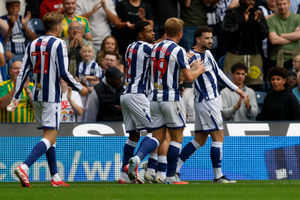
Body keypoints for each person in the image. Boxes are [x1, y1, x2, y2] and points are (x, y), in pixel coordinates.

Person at [7, 12, 88, 187]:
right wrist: (80, 88)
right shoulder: (59, 44)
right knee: (50, 136)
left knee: (51, 137)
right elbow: (64, 72)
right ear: (58, 27)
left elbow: (23, 72)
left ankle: (56, 178)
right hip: (51, 96)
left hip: (36, 96)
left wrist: (16, 96)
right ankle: (25, 166)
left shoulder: (33, 43)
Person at [127, 17, 205, 184]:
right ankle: (171, 176)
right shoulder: (178, 50)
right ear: (180, 33)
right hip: (171, 98)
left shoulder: (154, 48)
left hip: (154, 98)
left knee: (157, 136)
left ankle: (138, 158)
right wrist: (199, 69)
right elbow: (189, 76)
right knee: (176, 137)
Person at [176, 26, 245, 183]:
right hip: (207, 101)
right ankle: (218, 176)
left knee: (200, 139)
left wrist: (236, 89)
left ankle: (175, 169)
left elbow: (218, 73)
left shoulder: (207, 53)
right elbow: (184, 74)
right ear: (198, 39)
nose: (210, 40)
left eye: (211, 37)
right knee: (218, 136)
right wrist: (182, 77)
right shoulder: (192, 56)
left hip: (209, 100)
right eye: (206, 38)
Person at [119, 20, 155, 184]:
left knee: (133, 135)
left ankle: (123, 175)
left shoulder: (129, 47)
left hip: (125, 94)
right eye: (149, 31)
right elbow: (164, 52)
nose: (153, 34)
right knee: (155, 132)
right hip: (137, 95)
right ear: (141, 34)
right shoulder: (147, 48)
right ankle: (138, 161)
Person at [222, 0, 269, 90]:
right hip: (235, 55)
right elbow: (226, 31)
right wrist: (243, 22)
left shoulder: (258, 13)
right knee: (231, 85)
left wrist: (258, 22)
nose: (252, 1)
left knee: (255, 86)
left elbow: (264, 34)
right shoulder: (232, 13)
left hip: (254, 56)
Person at [267, 0, 300, 70]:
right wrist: (293, 38)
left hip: (295, 59)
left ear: (289, 4)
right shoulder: (271, 20)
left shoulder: (298, 18)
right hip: (276, 58)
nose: (282, 7)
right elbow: (274, 40)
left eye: (284, 4)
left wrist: (281, 35)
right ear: (276, 5)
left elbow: (299, 35)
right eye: (279, 4)